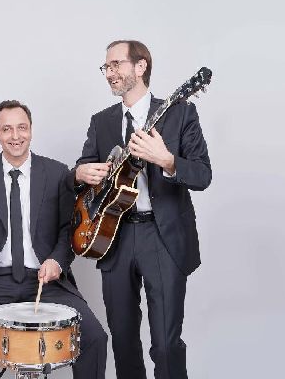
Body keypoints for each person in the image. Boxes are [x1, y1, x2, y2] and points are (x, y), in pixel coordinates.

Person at [74, 40, 211, 379]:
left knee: (165, 345)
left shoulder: (180, 113)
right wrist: (82, 173)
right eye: (106, 67)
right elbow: (84, 174)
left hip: (162, 237)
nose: (110, 73)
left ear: (140, 66)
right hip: (112, 236)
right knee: (123, 342)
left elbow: (202, 175)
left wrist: (166, 160)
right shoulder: (101, 122)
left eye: (116, 64)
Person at [0, 100, 107, 379]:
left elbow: (68, 229)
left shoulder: (57, 173)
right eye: (7, 129)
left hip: (45, 280)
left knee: (94, 339)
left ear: (31, 130)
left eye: (22, 127)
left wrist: (57, 261)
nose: (15, 136)